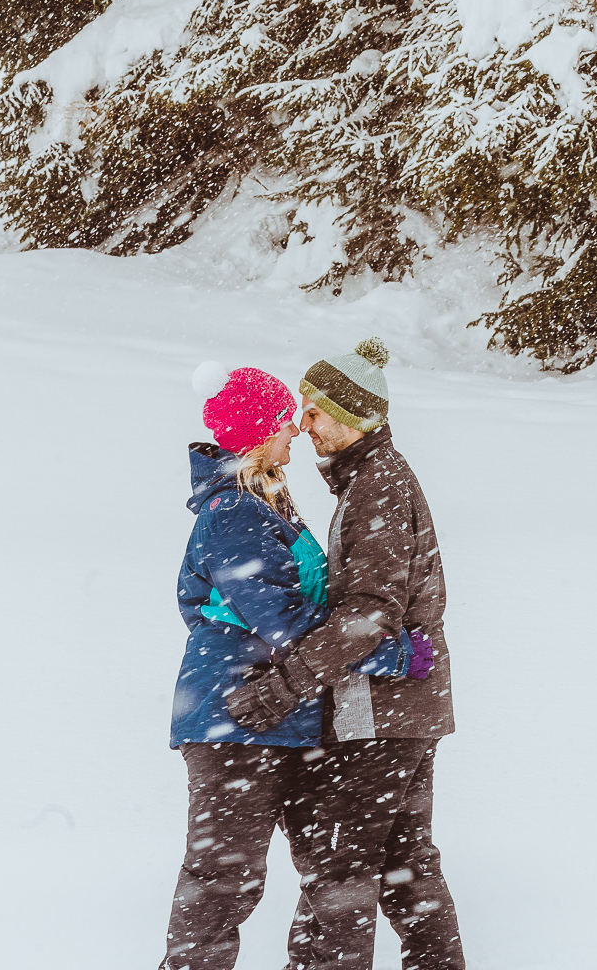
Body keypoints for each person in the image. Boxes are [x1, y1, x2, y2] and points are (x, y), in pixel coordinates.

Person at [161, 364, 422, 970]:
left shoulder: (263, 503)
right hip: (234, 723)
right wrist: (393, 653)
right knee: (225, 879)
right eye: (284, 424)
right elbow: (288, 620)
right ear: (258, 435)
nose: (294, 436)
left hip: (291, 717)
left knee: (334, 878)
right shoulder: (234, 514)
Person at [225, 338, 465, 970]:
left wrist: (284, 687)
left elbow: (366, 616)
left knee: (339, 869)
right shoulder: (371, 482)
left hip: (382, 716)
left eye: (314, 410)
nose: (302, 426)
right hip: (408, 711)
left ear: (356, 417)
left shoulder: (376, 489)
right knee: (406, 867)